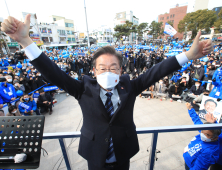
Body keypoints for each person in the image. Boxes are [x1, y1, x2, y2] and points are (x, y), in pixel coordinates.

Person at [1, 14, 213, 170]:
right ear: (93, 71)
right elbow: (53, 72)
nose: (108, 72)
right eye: (102, 68)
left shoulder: (129, 86)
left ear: (121, 70)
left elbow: (157, 71)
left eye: (114, 68)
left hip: (123, 152)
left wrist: (188, 55)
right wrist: (24, 41)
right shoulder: (82, 88)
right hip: (94, 154)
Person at [184, 103, 221, 170]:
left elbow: (199, 167)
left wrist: (213, 124)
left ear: (215, 138)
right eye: (202, 131)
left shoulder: (209, 152)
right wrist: (190, 109)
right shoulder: (207, 132)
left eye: (207, 134)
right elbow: (198, 123)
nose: (202, 134)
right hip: (190, 160)